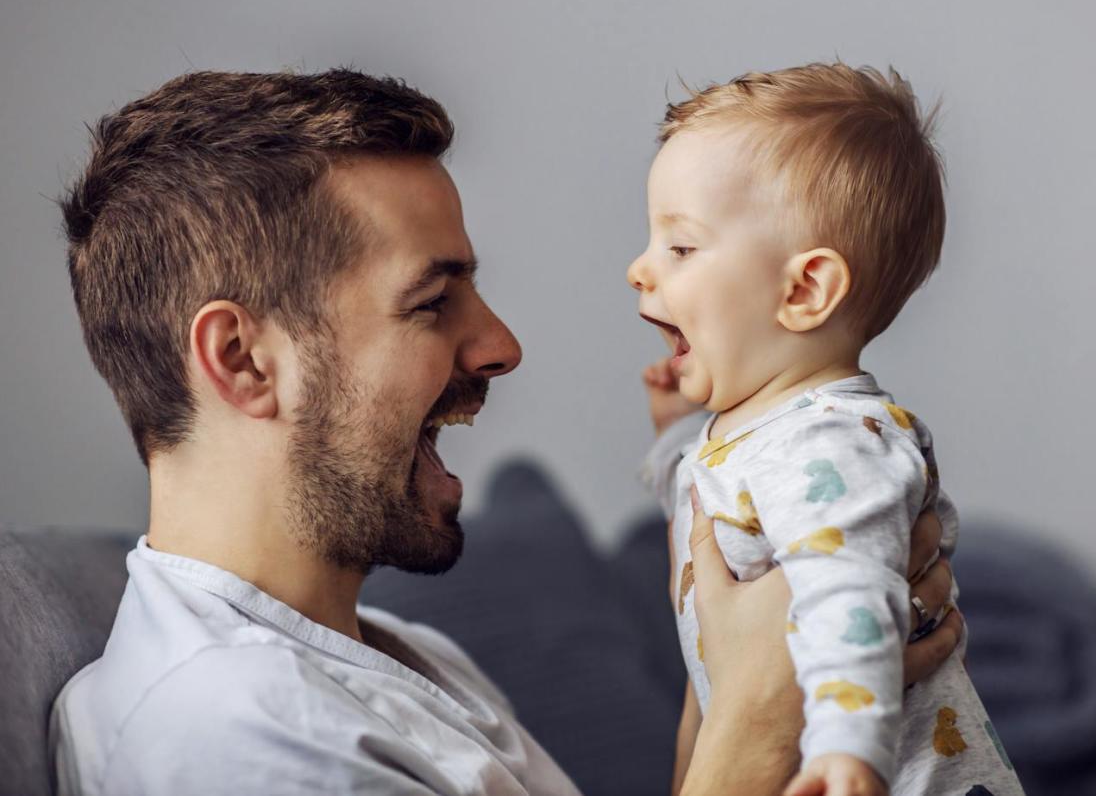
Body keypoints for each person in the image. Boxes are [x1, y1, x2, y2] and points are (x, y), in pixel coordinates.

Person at [48, 68, 963, 796]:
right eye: (432, 301)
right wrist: (762, 718)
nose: (501, 346)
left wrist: (735, 662)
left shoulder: (410, 659)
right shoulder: (232, 738)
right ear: (243, 360)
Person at [628, 63, 1021, 796]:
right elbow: (723, 525)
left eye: (679, 248)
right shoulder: (764, 434)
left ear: (804, 289)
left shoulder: (836, 443)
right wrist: (676, 443)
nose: (638, 270)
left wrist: (850, 751)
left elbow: (850, 595)